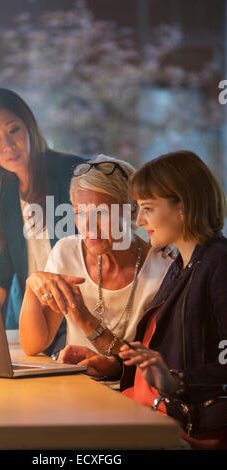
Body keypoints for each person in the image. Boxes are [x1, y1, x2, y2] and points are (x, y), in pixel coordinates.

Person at [74, 150, 227, 450]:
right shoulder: (182, 264)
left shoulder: (218, 263)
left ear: (183, 206)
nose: (139, 219)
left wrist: (177, 381)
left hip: (186, 431)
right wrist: (115, 365)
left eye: (147, 208)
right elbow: (157, 353)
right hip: (149, 412)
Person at [0, 87, 86, 355]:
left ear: (29, 126)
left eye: (13, 129)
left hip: (78, 316)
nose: (7, 145)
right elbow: (0, 278)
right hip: (28, 324)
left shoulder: (75, 173)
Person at [19, 154, 173, 364]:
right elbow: (33, 345)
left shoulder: (163, 269)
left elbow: (156, 365)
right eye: (80, 213)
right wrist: (31, 285)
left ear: (132, 210)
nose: (89, 226)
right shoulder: (66, 252)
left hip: (129, 393)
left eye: (102, 212)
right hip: (77, 387)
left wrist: (85, 320)